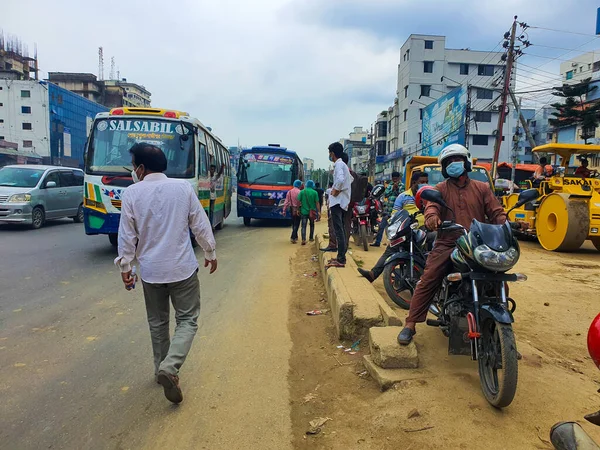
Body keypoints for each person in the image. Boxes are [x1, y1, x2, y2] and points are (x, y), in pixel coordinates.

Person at [115, 143, 217, 404]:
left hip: (151, 272)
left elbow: (127, 235)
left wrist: (126, 266)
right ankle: (170, 368)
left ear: (140, 168)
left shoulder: (132, 194)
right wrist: (210, 251)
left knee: (158, 322)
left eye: (133, 166)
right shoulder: (183, 188)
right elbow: (199, 222)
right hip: (182, 268)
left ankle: (161, 367)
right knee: (187, 320)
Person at [397, 143, 527, 345]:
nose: (453, 164)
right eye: (448, 162)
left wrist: (508, 224)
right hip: (449, 242)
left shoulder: (482, 188)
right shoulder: (439, 189)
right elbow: (431, 208)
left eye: (457, 160)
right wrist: (432, 218)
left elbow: (496, 213)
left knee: (499, 279)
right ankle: (410, 324)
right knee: (429, 277)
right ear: (443, 167)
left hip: (477, 244)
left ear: (466, 163)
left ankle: (502, 338)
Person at [357, 171, 429, 282]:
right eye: (421, 182)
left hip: (425, 230)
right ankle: (373, 274)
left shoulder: (429, 196)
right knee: (391, 248)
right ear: (414, 183)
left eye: (426, 182)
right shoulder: (403, 196)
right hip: (407, 230)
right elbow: (395, 214)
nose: (424, 184)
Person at [325, 142, 352, 268]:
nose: (329, 155)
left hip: (337, 202)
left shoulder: (339, 165)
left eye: (329, 153)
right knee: (340, 230)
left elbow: (341, 180)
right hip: (341, 201)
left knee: (339, 230)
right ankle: (340, 257)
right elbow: (349, 179)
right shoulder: (343, 165)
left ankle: (341, 259)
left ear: (332, 153)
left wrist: (335, 190)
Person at [371, 171, 402, 247]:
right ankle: (377, 242)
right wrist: (392, 189)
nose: (395, 180)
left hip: (396, 211)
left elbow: (401, 196)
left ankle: (396, 244)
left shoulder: (402, 186)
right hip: (388, 211)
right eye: (393, 179)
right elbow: (386, 195)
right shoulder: (389, 186)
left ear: (399, 178)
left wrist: (397, 189)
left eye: (396, 179)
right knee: (381, 226)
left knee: (396, 229)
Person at [298, 180, 320, 244]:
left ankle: (303, 239)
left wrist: (297, 209)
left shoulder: (302, 192)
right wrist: (318, 211)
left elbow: (298, 202)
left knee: (303, 226)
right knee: (312, 225)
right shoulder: (315, 192)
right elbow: (317, 203)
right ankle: (311, 238)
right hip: (312, 212)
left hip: (303, 212)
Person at [283, 179, 302, 243]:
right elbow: (302, 201)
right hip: (299, 209)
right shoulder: (300, 192)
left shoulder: (289, 192)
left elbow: (286, 202)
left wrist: (284, 210)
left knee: (293, 223)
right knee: (297, 223)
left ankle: (295, 236)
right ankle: (293, 237)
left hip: (292, 208)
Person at [209, 163, 225, 227]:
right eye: (210, 169)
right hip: (207, 197)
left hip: (212, 197)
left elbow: (219, 174)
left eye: (212, 169)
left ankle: (211, 225)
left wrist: (222, 168)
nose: (211, 171)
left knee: (211, 211)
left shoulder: (214, 177)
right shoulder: (206, 176)